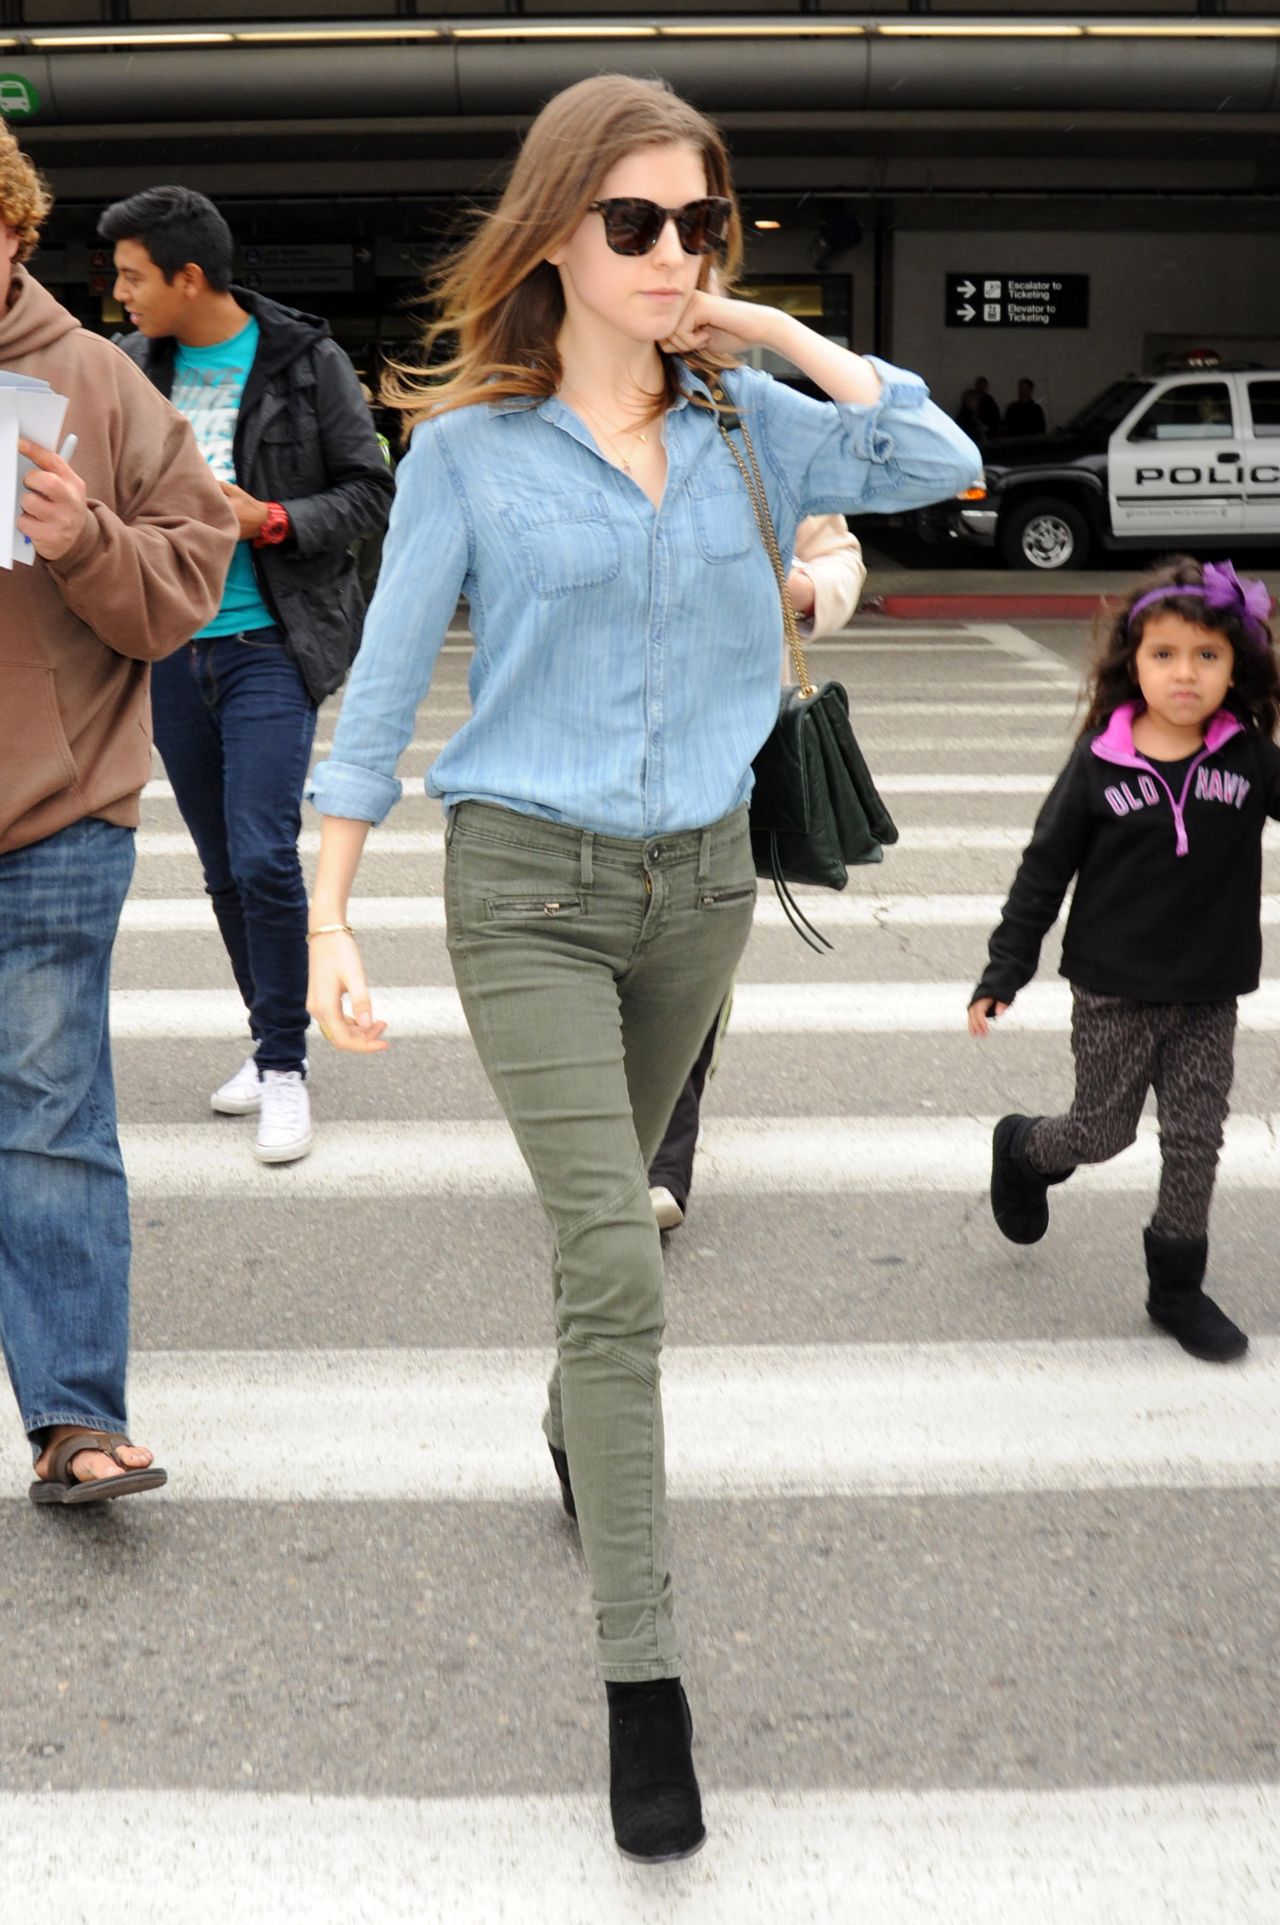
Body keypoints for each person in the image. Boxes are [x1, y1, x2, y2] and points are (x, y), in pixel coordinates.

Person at [306, 73, 979, 1863]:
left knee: (608, 1250)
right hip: (524, 887)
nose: (674, 252)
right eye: (637, 224)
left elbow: (938, 460)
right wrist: (325, 918)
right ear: (554, 236)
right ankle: (646, 1688)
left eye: (703, 223)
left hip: (705, 885)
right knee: (617, 1257)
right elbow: (378, 698)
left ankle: (564, 1420)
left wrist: (762, 330)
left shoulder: (756, 424)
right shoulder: (465, 456)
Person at [0, 124, 238, 1501]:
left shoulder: (96, 383)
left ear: (16, 235)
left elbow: (186, 584)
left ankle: (75, 1420)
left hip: (53, 811)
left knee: (46, 1117)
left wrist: (84, 532)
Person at [99, 186, 394, 1165]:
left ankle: (284, 1069)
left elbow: (366, 491)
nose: (119, 293)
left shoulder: (305, 364)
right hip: (171, 647)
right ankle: (270, 1040)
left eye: (133, 275)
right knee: (224, 864)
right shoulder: (131, 369)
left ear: (189, 277)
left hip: (271, 635)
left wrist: (264, 517)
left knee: (265, 854)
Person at [968, 557, 1279, 1365]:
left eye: (1207, 656)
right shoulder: (1100, 764)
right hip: (1113, 991)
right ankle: (1026, 1149)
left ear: (1234, 666)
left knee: (1195, 1138)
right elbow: (1044, 868)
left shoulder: (1248, 758)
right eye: (1165, 654)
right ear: (1133, 664)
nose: (1186, 672)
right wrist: (1005, 969)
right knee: (1103, 1131)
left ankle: (1176, 1285)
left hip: (1210, 991)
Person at [647, 510, 867, 1232]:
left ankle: (659, 1164)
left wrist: (796, 585)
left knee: (690, 954)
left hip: (723, 744)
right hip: (585, 739)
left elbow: (838, 558)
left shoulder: (751, 425)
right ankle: (595, 1134)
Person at [973, 375, 1002, 439]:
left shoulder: (989, 400)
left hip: (990, 430)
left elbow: (996, 415)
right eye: (980, 385)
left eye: (983, 385)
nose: (982, 387)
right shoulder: (972, 398)